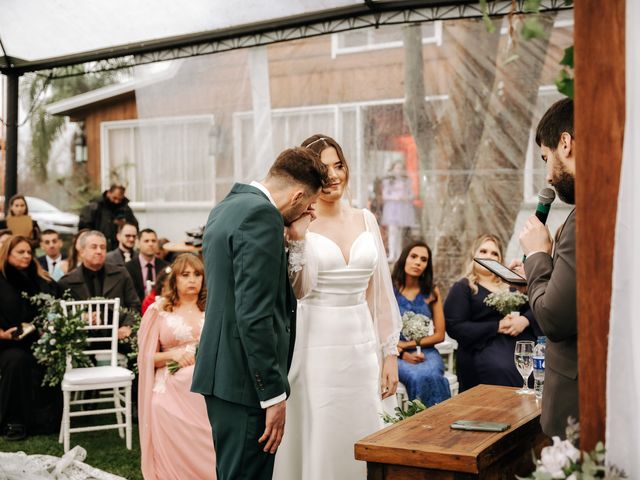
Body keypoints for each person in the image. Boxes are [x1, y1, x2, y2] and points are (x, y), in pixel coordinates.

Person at [191, 147, 328, 480]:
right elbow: (254, 315)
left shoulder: (227, 206)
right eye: (308, 203)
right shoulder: (262, 216)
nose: (308, 210)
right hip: (246, 382)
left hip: (222, 374)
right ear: (297, 195)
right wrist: (273, 394)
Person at [273, 135, 401, 480]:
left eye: (338, 165)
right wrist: (298, 239)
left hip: (362, 344)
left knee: (364, 424)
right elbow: (297, 290)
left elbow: (380, 292)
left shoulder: (366, 219)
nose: (333, 176)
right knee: (324, 427)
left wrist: (389, 353)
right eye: (323, 168)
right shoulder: (298, 225)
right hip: (316, 344)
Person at [512, 98, 577, 439]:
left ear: (565, 143)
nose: (549, 176)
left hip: (576, 405)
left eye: (546, 158)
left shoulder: (583, 220)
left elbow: (554, 318)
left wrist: (537, 256)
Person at [138, 254, 216, 479]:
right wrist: (172, 355)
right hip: (170, 384)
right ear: (175, 280)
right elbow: (145, 358)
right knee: (159, 405)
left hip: (207, 381)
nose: (192, 280)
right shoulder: (159, 310)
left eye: (197, 275)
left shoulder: (212, 306)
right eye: (185, 275)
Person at [444, 234, 541, 392]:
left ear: (500, 259)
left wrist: (525, 320)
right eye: (483, 251)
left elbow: (539, 305)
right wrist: (496, 326)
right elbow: (455, 326)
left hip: (520, 344)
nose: (488, 256)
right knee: (502, 368)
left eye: (494, 253)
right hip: (483, 348)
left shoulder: (513, 285)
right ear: (474, 255)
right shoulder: (463, 287)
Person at [0, 235, 60, 441]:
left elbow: (59, 300)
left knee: (50, 356)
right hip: (6, 344)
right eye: (20, 252)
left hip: (37, 341)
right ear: (7, 254)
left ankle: (45, 419)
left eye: (29, 252)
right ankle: (13, 421)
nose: (27, 256)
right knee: (17, 360)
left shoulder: (40, 278)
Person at [391, 240, 451, 406]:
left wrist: (407, 343)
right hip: (395, 353)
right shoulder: (390, 289)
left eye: (424, 259)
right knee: (417, 376)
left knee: (432, 374)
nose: (418, 262)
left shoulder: (431, 291)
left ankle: (442, 421)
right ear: (404, 259)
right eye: (414, 256)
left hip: (427, 352)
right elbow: (379, 327)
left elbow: (439, 334)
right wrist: (401, 351)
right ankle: (419, 423)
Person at [58, 231, 141, 341]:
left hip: (119, 337)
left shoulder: (121, 274)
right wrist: (82, 317)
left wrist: (127, 326)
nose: (99, 251)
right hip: (81, 340)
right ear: (82, 251)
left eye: (103, 247)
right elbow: (60, 313)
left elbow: (134, 305)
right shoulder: (67, 282)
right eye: (94, 247)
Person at [78, 184, 138, 250]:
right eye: (114, 198)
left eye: (120, 199)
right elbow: (84, 227)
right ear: (109, 193)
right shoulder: (95, 207)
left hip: (117, 248)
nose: (116, 201)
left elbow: (134, 226)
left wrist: (124, 225)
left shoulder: (125, 209)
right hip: (97, 246)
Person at [381, 162, 416, 262]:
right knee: (392, 231)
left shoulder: (407, 181)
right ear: (393, 169)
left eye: (401, 168)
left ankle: (399, 255)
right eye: (397, 168)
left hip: (403, 208)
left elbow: (411, 194)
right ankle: (392, 254)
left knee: (400, 233)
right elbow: (385, 195)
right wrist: (396, 197)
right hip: (392, 208)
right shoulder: (388, 181)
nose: (399, 170)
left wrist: (407, 198)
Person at [125, 228, 169, 302]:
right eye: (146, 241)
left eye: (153, 241)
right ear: (138, 243)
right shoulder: (128, 267)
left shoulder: (165, 267)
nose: (150, 244)